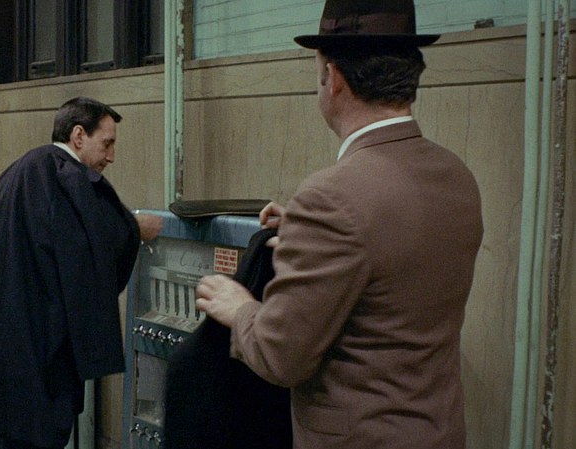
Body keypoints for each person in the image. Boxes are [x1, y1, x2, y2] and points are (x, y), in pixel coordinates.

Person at [194, 1, 484, 449]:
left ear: (333, 78)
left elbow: (280, 356)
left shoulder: (332, 198)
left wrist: (240, 309)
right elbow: (392, 254)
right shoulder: (456, 175)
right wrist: (307, 233)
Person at [0, 96, 162, 449]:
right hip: (33, 352)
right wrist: (134, 228)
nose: (111, 156)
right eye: (106, 144)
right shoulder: (65, 177)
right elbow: (91, 244)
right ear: (78, 136)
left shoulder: (23, 169)